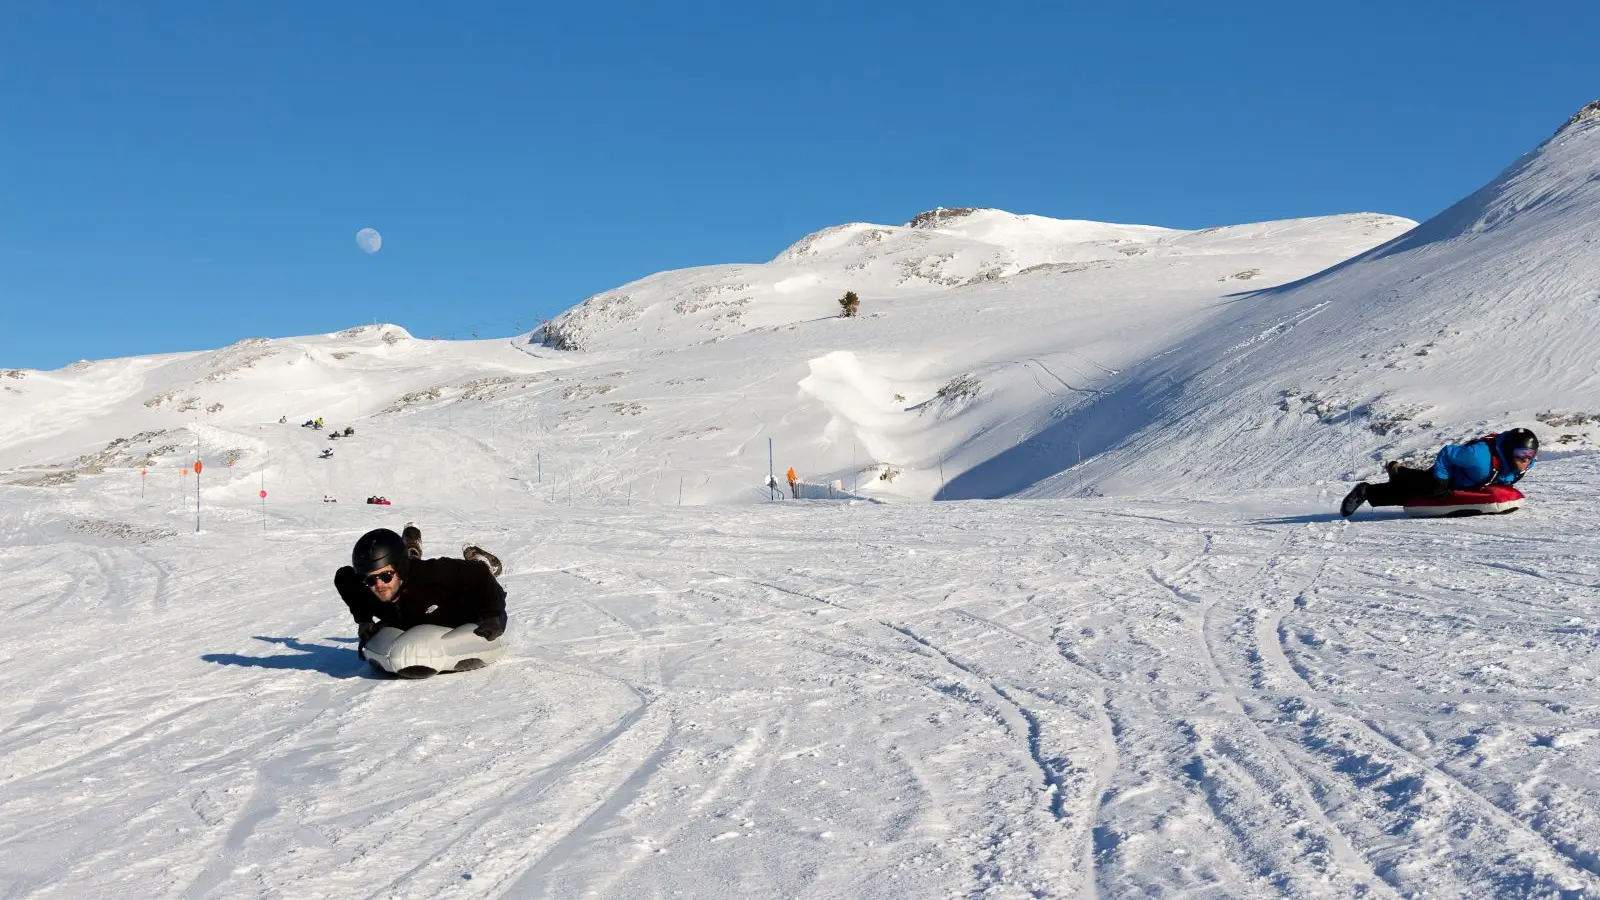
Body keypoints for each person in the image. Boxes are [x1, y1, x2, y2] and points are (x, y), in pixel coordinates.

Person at [335, 525, 508, 658]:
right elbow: (343, 577)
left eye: (386, 576)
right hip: (414, 607)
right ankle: (410, 549)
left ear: (400, 568)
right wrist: (363, 620)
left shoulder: (430, 574)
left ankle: (478, 557)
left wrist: (492, 615)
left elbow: (478, 573)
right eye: (371, 579)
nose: (378, 584)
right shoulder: (371, 588)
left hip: (469, 605)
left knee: (482, 575)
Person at [1341, 428, 1538, 517]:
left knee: (1419, 482)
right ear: (1509, 450)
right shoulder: (1478, 457)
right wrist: (1441, 481)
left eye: (1530, 455)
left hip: (1471, 482)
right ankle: (1366, 492)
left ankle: (1399, 472)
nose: (1526, 459)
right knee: (1416, 491)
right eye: (1521, 454)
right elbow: (1447, 453)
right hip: (1451, 474)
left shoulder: (1526, 464)